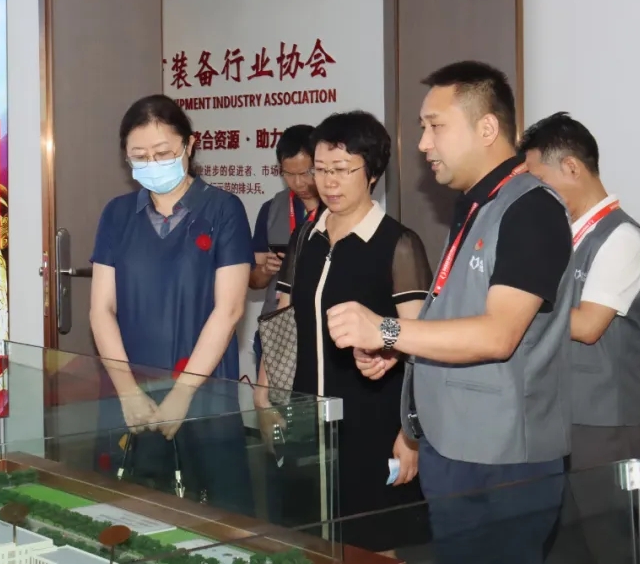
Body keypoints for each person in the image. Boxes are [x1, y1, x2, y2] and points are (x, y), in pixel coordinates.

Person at [328, 62, 573, 564]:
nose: (423, 143)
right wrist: (397, 349)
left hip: (502, 460)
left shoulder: (531, 209)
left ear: (487, 128)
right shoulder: (478, 205)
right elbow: (455, 313)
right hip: (454, 446)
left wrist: (387, 329)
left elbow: (498, 335)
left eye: (435, 126)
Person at [256, 111, 431, 552]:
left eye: (341, 170)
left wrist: (411, 432)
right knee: (307, 538)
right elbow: (282, 320)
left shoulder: (398, 244)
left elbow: (421, 344)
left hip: (373, 423)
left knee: (372, 544)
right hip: (305, 419)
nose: (328, 182)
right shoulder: (304, 237)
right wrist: (265, 396)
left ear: (371, 172)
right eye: (321, 169)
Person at [89, 94, 254, 513]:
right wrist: (128, 391)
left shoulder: (223, 210)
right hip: (131, 393)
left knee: (216, 518)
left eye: (162, 153)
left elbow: (229, 310)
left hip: (203, 391)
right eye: (139, 156)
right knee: (130, 516)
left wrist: (182, 393)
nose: (152, 163)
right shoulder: (117, 214)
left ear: (189, 145)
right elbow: (101, 309)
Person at [519, 112, 640, 564]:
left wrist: (515, 311)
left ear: (572, 168)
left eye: (540, 180)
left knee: (609, 544)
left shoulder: (621, 236)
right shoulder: (563, 234)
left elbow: (590, 325)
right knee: (565, 547)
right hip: (558, 414)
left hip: (602, 423)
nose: (535, 193)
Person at [249, 124, 320, 314]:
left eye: (305, 173)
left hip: (325, 321)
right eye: (289, 174)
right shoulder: (271, 210)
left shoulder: (338, 207)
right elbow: (254, 281)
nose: (298, 183)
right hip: (279, 322)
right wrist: (265, 271)